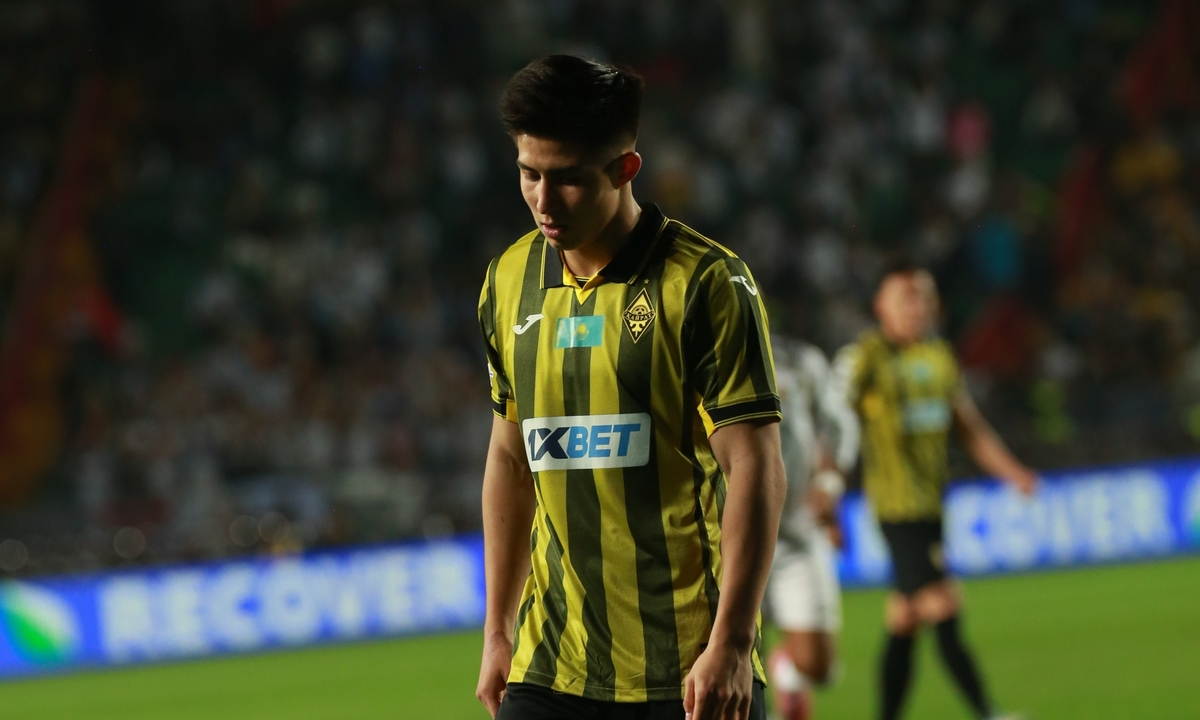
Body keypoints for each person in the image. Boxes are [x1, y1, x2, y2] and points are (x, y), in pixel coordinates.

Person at [474, 55, 787, 720]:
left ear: (625, 169)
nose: (543, 201)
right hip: (550, 665)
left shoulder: (707, 284)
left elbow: (755, 465)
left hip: (689, 670)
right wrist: (498, 630)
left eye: (568, 179)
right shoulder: (507, 281)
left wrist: (733, 643)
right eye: (529, 173)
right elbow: (510, 457)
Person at [831, 256, 1036, 720]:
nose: (917, 306)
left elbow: (970, 429)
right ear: (880, 305)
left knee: (905, 618)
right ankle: (988, 712)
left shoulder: (939, 356)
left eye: (924, 297)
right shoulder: (866, 359)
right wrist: (829, 492)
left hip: (931, 507)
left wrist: (1014, 472)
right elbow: (835, 422)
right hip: (896, 509)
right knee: (944, 605)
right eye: (906, 297)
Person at [763, 336, 859, 720]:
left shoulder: (799, 359)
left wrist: (829, 485)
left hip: (795, 533)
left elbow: (839, 424)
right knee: (726, 658)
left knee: (819, 667)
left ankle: (786, 671)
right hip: (723, 539)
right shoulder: (694, 352)